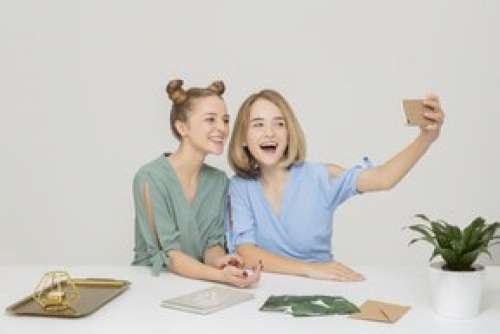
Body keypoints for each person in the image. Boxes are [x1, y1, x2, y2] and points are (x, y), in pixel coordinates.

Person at [226, 89, 444, 281]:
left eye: (279, 124)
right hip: (266, 290)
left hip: (322, 288)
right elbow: (246, 253)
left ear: (289, 133)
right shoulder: (239, 187)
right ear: (243, 138)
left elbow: (383, 178)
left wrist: (427, 138)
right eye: (258, 124)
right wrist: (308, 269)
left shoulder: (321, 176)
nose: (269, 132)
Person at [132, 79, 261, 288]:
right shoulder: (150, 178)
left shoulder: (218, 181)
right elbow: (170, 256)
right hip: (151, 286)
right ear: (182, 127)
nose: (222, 128)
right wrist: (219, 276)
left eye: (225, 120)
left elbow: (212, 243)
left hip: (198, 286)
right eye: (210, 120)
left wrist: (220, 261)